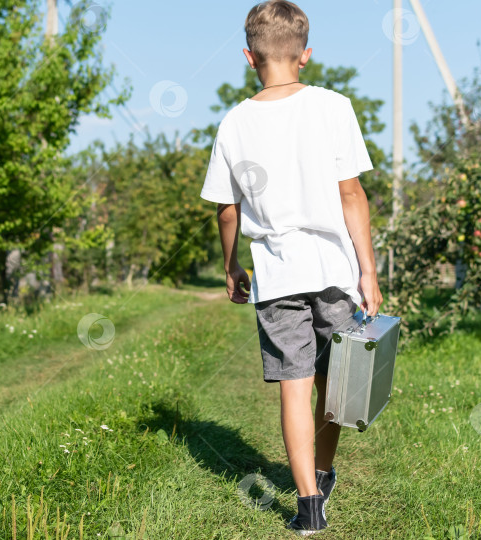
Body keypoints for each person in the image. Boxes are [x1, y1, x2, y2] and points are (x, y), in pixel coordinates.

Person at [199, 0, 384, 535]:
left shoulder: (234, 122)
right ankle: (322, 471)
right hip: (333, 267)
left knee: (294, 384)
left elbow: (227, 208)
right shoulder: (334, 106)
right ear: (305, 54)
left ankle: (307, 506)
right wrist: (367, 271)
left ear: (247, 56)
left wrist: (232, 265)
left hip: (277, 274)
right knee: (336, 380)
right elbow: (352, 194)